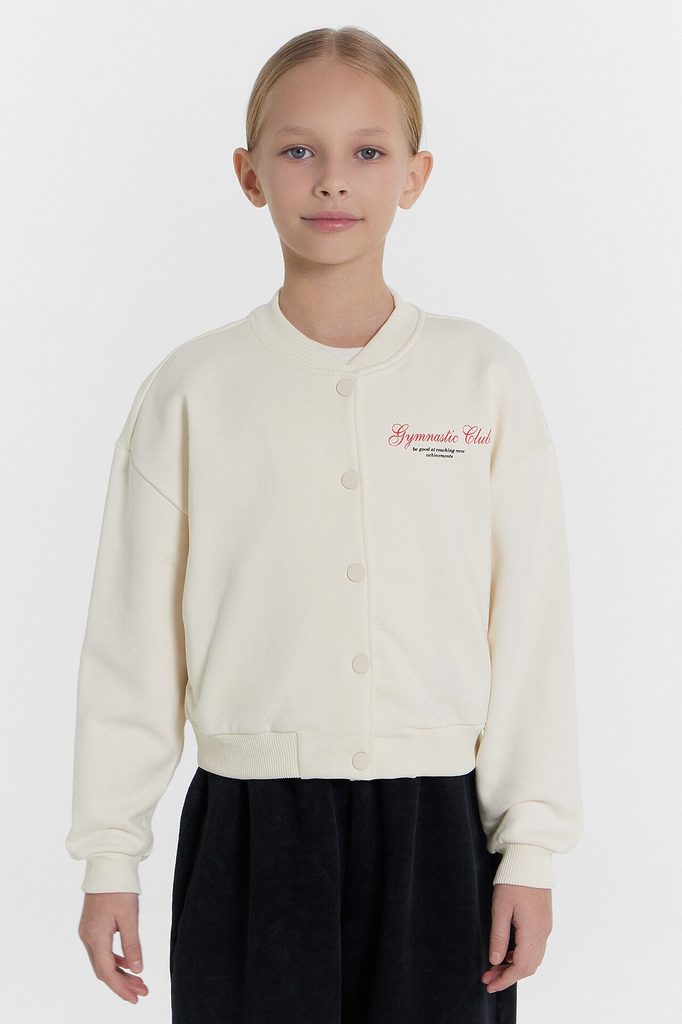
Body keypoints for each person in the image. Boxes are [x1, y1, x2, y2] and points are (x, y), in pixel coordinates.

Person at [66, 24, 583, 1024]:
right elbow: (130, 642)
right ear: (249, 173)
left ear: (415, 176)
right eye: (299, 149)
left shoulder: (482, 377)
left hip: (439, 828)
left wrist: (530, 846)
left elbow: (530, 626)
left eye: (368, 151)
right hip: (251, 827)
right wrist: (109, 854)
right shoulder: (193, 390)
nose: (333, 179)